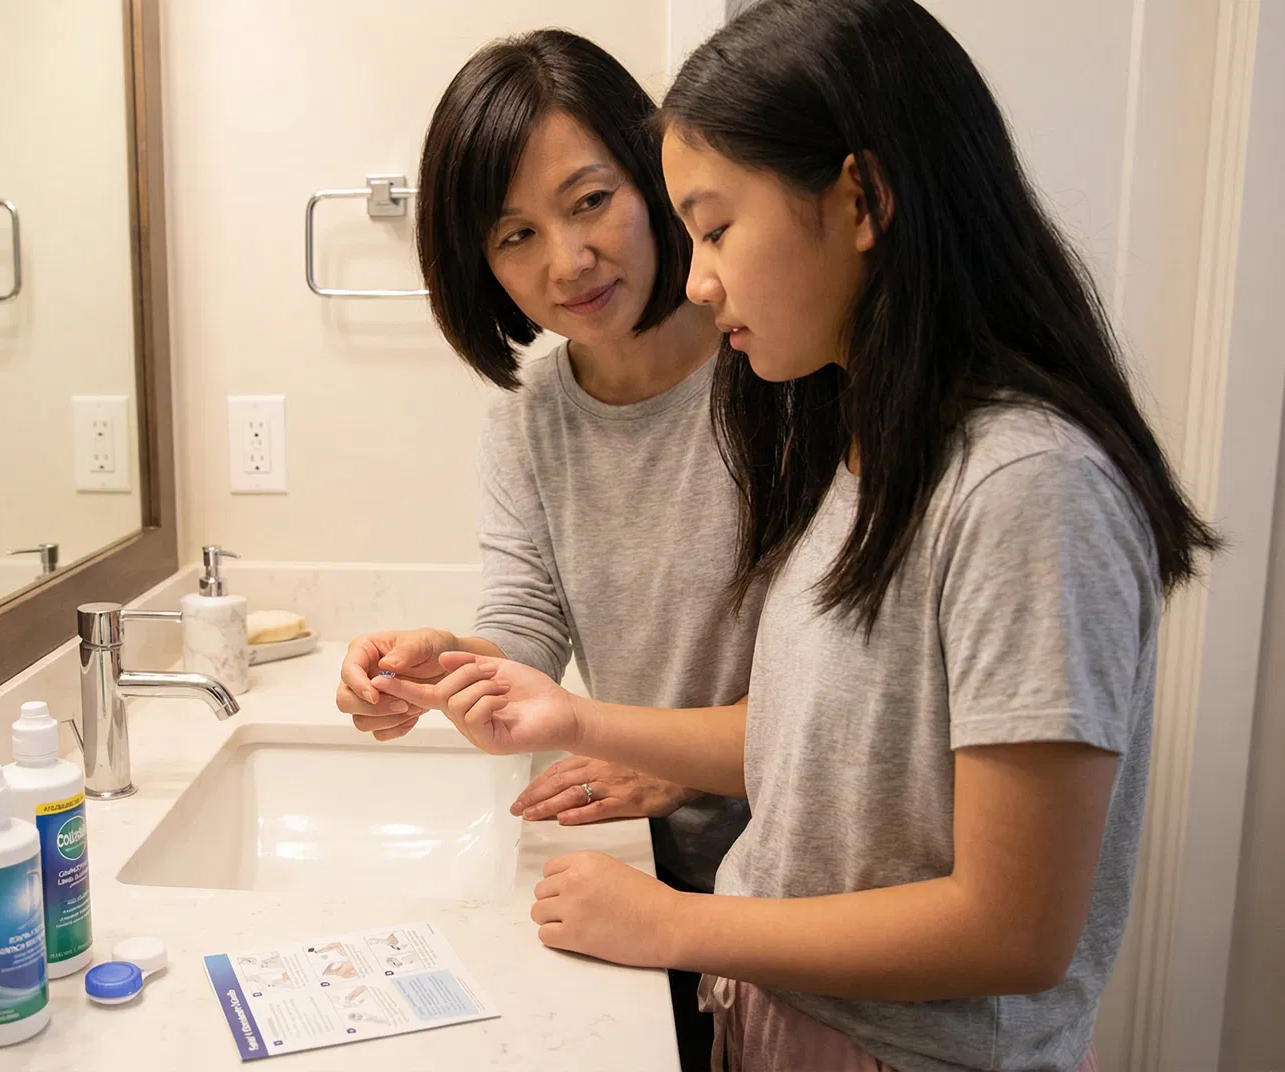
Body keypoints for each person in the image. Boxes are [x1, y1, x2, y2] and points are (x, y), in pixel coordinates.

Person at [372, 2, 1221, 1069]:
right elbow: (802, 732)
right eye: (516, 235)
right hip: (792, 1013)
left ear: (860, 200)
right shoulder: (868, 445)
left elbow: (1015, 929)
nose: (697, 277)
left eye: (715, 228)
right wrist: (567, 714)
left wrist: (676, 924)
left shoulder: (1026, 485)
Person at [332, 30, 755, 1067]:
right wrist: (438, 663)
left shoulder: (773, 372)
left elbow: (838, 684)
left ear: (653, 174)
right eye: (515, 234)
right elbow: (527, 628)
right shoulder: (530, 419)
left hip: (794, 887)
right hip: (643, 873)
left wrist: (664, 759)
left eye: (590, 200)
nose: (567, 262)